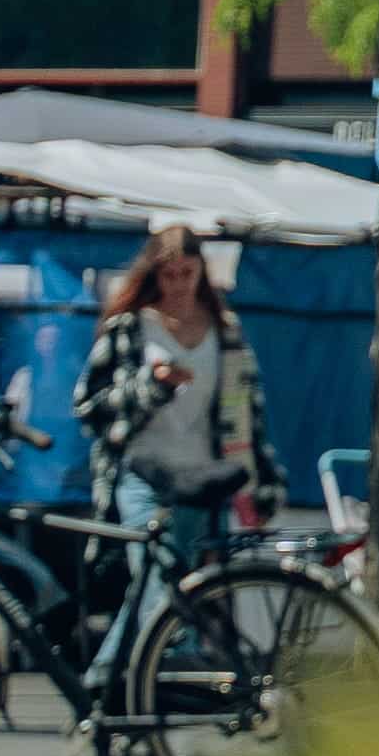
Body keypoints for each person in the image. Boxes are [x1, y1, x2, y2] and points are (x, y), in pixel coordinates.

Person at [77, 226, 268, 559]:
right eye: (169, 275)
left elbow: (249, 414)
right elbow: (89, 407)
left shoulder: (225, 332)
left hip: (206, 481)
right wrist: (152, 386)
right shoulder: (130, 328)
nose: (179, 284)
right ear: (155, 276)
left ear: (201, 271)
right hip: (146, 476)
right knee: (159, 588)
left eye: (187, 273)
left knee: (197, 597)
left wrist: (258, 485)